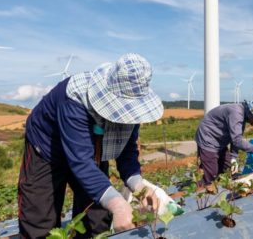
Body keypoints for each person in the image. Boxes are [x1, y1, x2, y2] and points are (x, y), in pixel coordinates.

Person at [18, 53, 166, 238]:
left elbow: (127, 152)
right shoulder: (73, 98)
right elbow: (80, 162)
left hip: (94, 148)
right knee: (39, 217)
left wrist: (140, 187)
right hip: (47, 149)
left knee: (96, 218)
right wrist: (119, 205)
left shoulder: (132, 109)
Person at [194, 97, 253, 186]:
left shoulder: (242, 115)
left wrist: (233, 158)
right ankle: (200, 189)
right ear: (252, 112)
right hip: (208, 138)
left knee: (229, 169)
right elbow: (237, 141)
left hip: (220, 141)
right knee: (211, 174)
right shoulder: (236, 113)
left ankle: (212, 175)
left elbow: (235, 138)